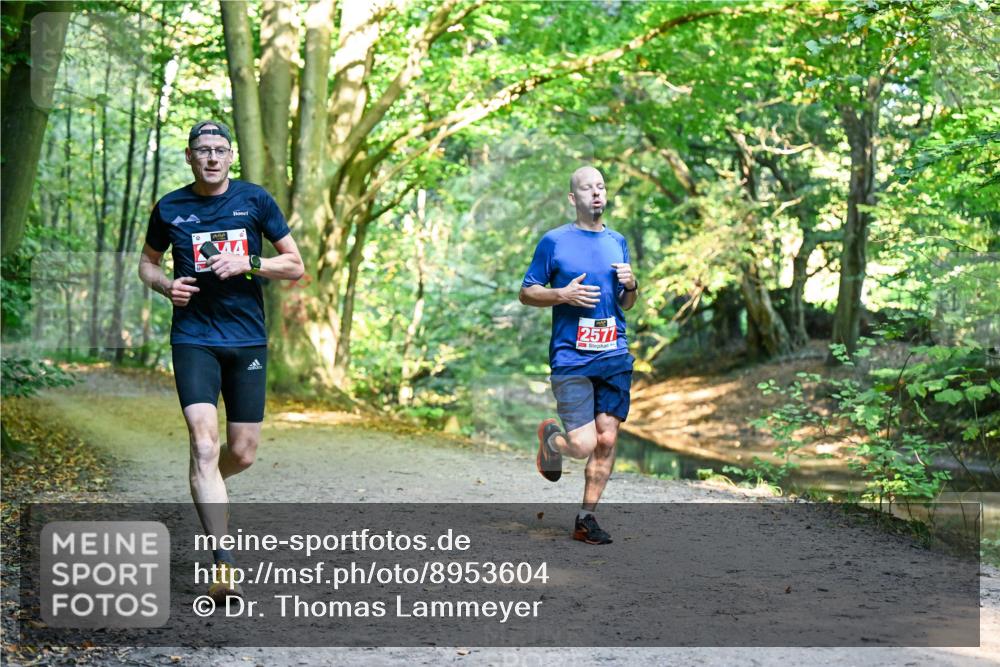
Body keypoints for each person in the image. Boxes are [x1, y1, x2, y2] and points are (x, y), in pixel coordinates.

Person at [138, 120, 304, 600]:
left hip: (247, 338)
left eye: (219, 150)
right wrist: (166, 285)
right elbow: (147, 263)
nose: (211, 157)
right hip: (194, 337)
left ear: (231, 157)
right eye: (202, 150)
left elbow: (295, 265)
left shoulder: (255, 201)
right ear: (189, 157)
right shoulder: (170, 207)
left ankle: (205, 481)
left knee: (242, 453)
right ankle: (223, 563)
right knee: (205, 444)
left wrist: (250, 263)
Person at [519, 166, 638, 545]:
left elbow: (627, 303)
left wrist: (632, 286)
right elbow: (527, 292)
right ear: (574, 198)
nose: (596, 193)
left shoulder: (618, 241)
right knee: (584, 444)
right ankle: (552, 441)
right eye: (587, 188)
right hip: (571, 356)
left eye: (601, 187)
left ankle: (586, 519)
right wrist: (562, 295)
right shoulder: (554, 242)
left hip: (614, 352)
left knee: (607, 439)